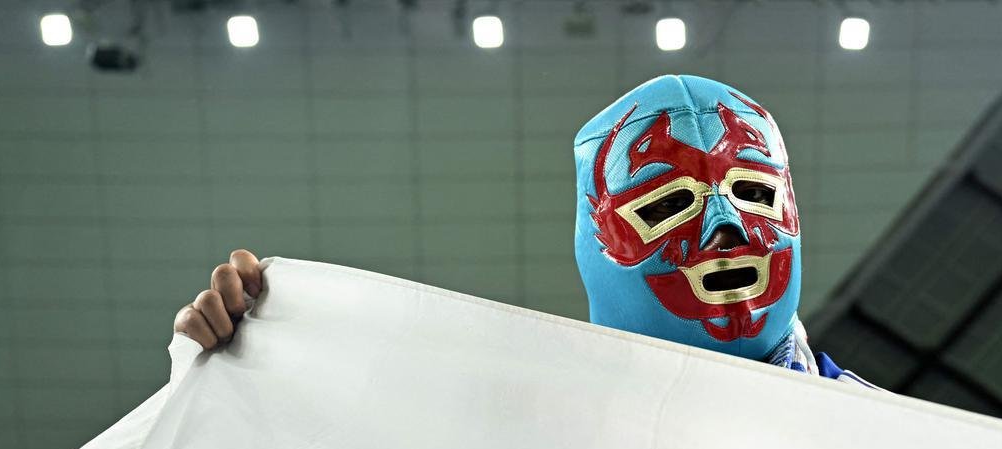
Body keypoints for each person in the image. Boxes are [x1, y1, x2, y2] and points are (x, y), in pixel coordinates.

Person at [174, 75, 872, 388]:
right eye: (664, 208)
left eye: (753, 193)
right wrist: (250, 371)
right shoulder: (524, 434)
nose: (725, 228)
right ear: (599, 243)